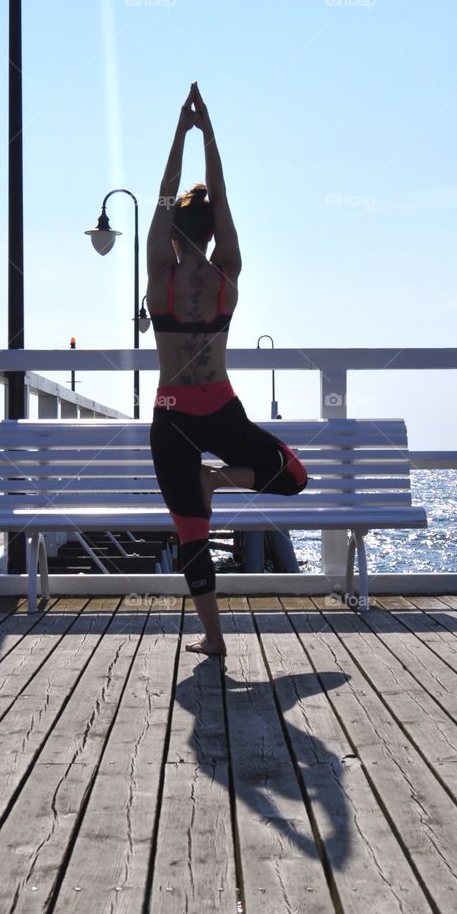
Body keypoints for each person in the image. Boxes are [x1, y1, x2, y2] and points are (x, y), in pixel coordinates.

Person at [147, 82, 308, 656]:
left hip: (172, 415)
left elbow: (167, 193)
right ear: (214, 231)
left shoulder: (159, 272)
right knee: (293, 475)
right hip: (220, 408)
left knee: (191, 529)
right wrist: (207, 131)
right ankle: (221, 480)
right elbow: (221, 194)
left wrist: (180, 132)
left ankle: (214, 637)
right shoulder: (228, 274)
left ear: (171, 231)